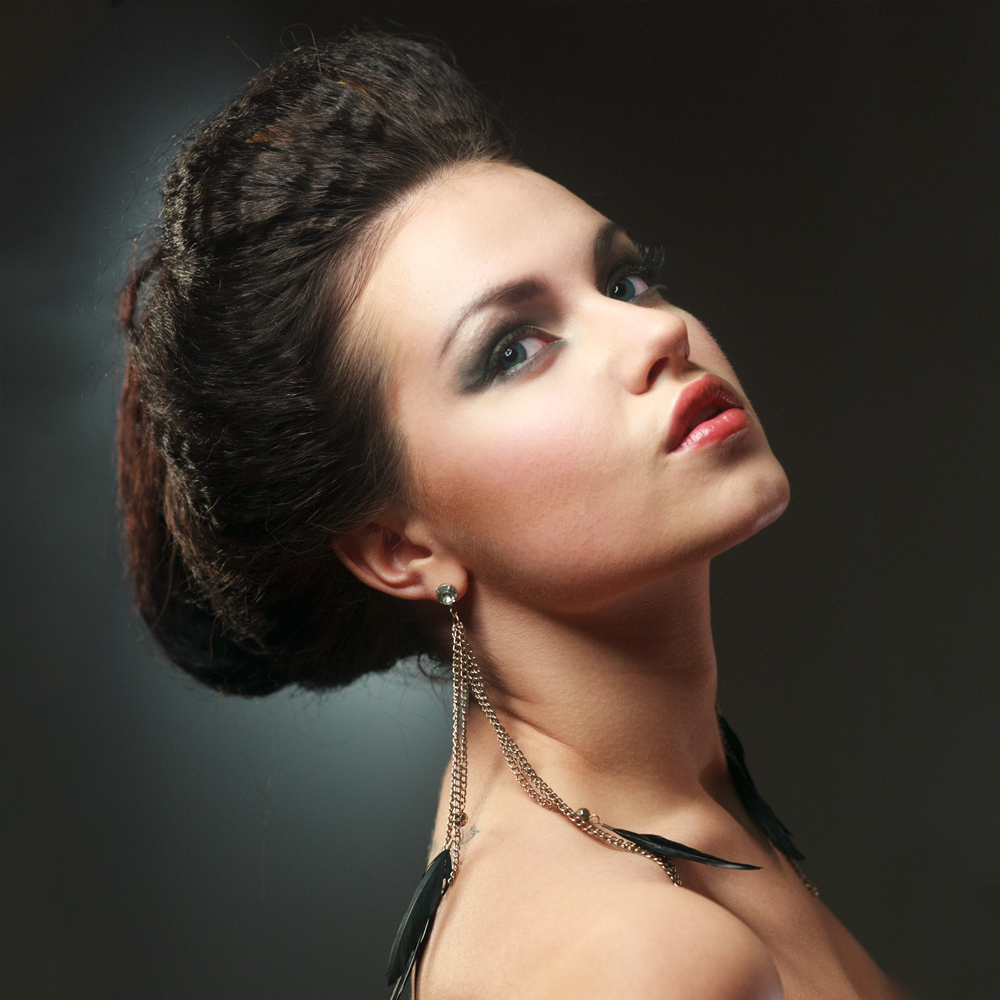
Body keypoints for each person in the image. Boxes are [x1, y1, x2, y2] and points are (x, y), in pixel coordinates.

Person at [118, 30, 907, 1000]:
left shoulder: (679, 826)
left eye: (623, 280)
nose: (657, 332)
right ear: (401, 548)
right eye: (512, 350)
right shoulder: (640, 960)